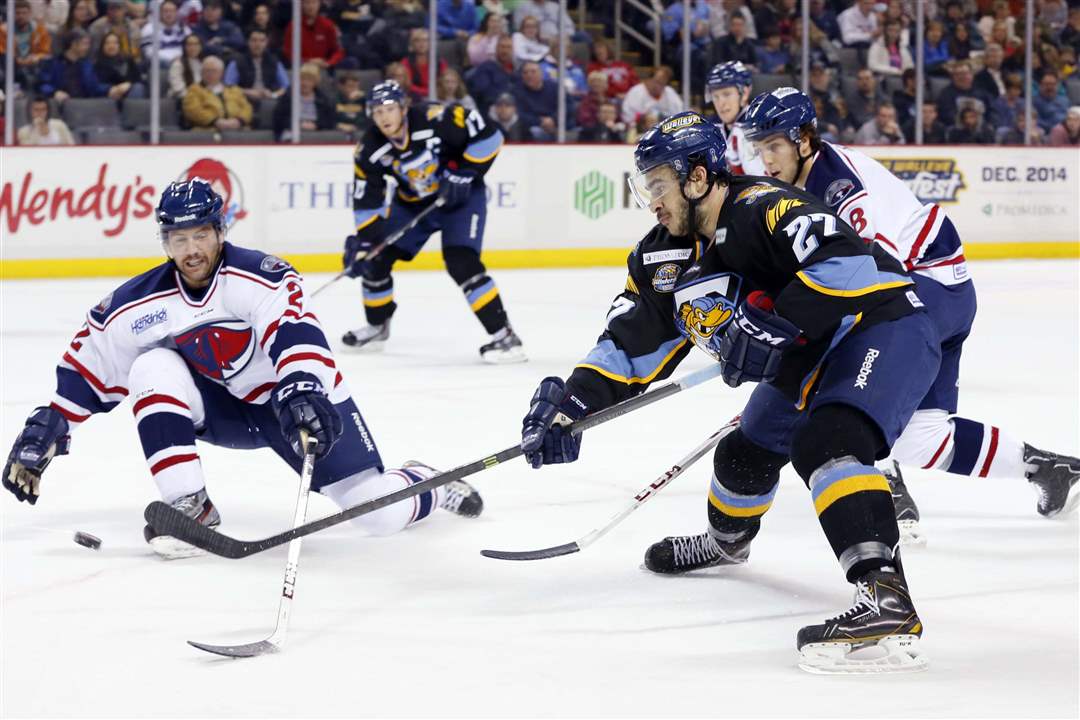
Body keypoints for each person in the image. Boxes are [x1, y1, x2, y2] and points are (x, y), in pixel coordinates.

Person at [520, 109, 941, 674]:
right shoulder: (660, 257)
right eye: (647, 188)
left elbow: (849, 264)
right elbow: (629, 344)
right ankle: (727, 543)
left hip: (880, 326)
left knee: (828, 442)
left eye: (659, 186)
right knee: (743, 454)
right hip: (805, 356)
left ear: (697, 178)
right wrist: (570, 404)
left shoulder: (766, 207)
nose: (652, 202)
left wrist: (777, 323)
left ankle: (886, 598)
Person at [2, 179, 483, 560]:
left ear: (220, 231)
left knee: (377, 515)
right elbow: (91, 365)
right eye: (179, 239)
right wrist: (51, 426)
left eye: (200, 235)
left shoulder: (259, 275)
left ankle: (427, 482)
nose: (191, 249)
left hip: (298, 404)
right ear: (165, 242)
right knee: (151, 365)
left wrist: (301, 387)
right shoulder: (137, 302)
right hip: (226, 412)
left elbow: (295, 331)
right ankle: (190, 505)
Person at [738, 87, 1079, 537]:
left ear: (803, 140)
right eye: (759, 148)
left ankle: (882, 480)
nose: (766, 159)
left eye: (774, 146)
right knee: (921, 435)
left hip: (927, 289)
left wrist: (802, 344)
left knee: (847, 377)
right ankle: (1047, 469)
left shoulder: (841, 188)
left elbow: (868, 280)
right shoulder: (802, 180)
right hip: (939, 293)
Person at [341, 81, 525, 363]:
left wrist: (466, 171)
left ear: (404, 107)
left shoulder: (436, 117)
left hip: (461, 199)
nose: (384, 117)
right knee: (376, 257)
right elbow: (367, 197)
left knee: (461, 262)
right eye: (377, 112)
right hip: (413, 204)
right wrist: (366, 241)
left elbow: (491, 136)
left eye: (389, 109)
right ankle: (377, 326)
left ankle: (505, 337)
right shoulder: (369, 148)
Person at [705, 61, 764, 175]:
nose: (721, 103)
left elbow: (760, 180)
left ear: (744, 93)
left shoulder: (755, 127)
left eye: (727, 94)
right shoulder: (712, 127)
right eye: (715, 96)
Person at [37, 29, 129, 101]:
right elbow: (42, 84)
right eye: (85, 44)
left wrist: (110, 89)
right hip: (61, 105)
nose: (87, 48)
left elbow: (94, 86)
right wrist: (54, 93)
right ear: (73, 44)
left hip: (84, 106)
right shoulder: (52, 63)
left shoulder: (86, 65)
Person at [182, 54, 253, 131]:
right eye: (207, 71)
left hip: (237, 128)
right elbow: (193, 111)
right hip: (207, 129)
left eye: (214, 71)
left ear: (221, 73)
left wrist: (239, 121)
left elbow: (247, 108)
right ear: (201, 73)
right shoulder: (194, 90)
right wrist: (215, 121)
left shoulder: (234, 89)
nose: (210, 74)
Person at [224, 28, 289, 105]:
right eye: (254, 40)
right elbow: (229, 87)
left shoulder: (274, 61)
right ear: (248, 42)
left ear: (266, 43)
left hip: (269, 100)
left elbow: (286, 86)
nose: (258, 44)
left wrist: (273, 95)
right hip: (243, 100)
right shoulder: (237, 61)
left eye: (262, 41)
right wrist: (247, 92)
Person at [272, 62, 335, 140]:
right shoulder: (288, 96)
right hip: (292, 131)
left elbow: (330, 121)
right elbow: (279, 119)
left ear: (315, 82)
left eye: (309, 80)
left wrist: (316, 125)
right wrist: (298, 125)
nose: (305, 83)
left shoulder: (323, 99)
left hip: (317, 132)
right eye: (302, 79)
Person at [0, 0, 53, 88]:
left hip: (33, 65)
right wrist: (15, 59)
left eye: (24, 13)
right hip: (10, 66)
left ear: (30, 14)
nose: (21, 16)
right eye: (17, 13)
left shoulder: (40, 30)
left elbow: (45, 51)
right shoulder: (3, 30)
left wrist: (36, 57)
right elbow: (1, 51)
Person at [284, 0, 345, 69]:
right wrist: (307, 61)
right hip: (300, 69)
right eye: (307, 3)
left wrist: (328, 63)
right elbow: (288, 52)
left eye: (314, 2)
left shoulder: (328, 25)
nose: (310, 6)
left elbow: (339, 51)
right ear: (301, 5)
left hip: (324, 68)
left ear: (319, 4)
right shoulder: (293, 26)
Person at [466, 33, 515, 115]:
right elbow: (484, 93)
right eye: (502, 47)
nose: (505, 51)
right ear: (496, 49)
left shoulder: (517, 70)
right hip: (490, 111)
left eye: (508, 47)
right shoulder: (485, 68)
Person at [512, 60, 559, 141]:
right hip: (531, 127)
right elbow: (518, 113)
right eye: (525, 72)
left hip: (556, 124)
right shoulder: (516, 91)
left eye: (533, 72)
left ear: (541, 73)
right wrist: (540, 121)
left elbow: (568, 108)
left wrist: (553, 119)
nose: (529, 75)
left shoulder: (555, 88)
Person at [95, 30, 145, 98]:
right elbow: (97, 86)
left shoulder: (128, 61)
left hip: (129, 93)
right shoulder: (98, 65)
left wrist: (128, 84)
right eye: (107, 43)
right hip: (108, 95)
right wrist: (114, 89)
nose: (111, 46)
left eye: (115, 43)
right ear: (103, 46)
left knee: (138, 87)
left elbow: (138, 79)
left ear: (119, 45)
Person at [139, 0, 190, 67]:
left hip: (182, 63)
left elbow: (191, 49)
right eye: (166, 11)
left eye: (172, 11)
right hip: (159, 67)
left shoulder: (184, 29)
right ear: (160, 13)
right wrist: (171, 61)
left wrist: (181, 59)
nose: (169, 14)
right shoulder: (149, 29)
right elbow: (149, 53)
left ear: (176, 13)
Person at [401, 28, 447, 98]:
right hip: (414, 98)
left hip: (438, 97)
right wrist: (428, 92)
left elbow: (444, 82)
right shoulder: (406, 62)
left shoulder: (440, 62)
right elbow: (408, 85)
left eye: (425, 40)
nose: (421, 44)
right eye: (417, 41)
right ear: (412, 44)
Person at [168, 33, 203, 98]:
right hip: (182, 98)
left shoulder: (203, 63)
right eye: (189, 45)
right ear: (184, 47)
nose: (193, 48)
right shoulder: (178, 64)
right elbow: (177, 88)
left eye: (196, 44)